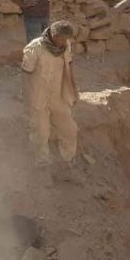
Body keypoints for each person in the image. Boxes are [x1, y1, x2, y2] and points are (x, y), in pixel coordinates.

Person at [21, 20, 79, 163]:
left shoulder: (65, 46)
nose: (66, 42)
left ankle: (68, 160)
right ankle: (42, 164)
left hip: (58, 95)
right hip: (38, 95)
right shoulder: (35, 48)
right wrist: (29, 99)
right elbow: (26, 74)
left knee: (70, 130)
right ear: (54, 36)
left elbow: (69, 66)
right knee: (40, 133)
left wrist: (74, 89)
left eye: (67, 39)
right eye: (63, 39)